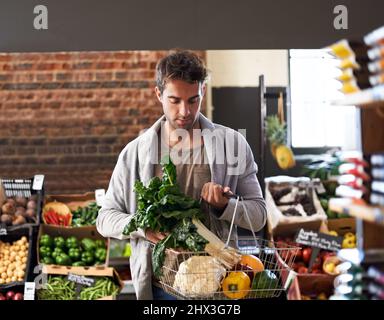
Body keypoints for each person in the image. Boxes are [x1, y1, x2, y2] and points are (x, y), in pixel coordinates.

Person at [96, 50, 267, 300]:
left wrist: (225, 206)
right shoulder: (134, 153)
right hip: (159, 288)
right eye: (174, 100)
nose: (185, 111)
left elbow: (259, 216)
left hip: (219, 284)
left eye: (193, 100)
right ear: (158, 94)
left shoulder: (233, 145)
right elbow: (105, 219)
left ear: (203, 92)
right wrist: (141, 227)